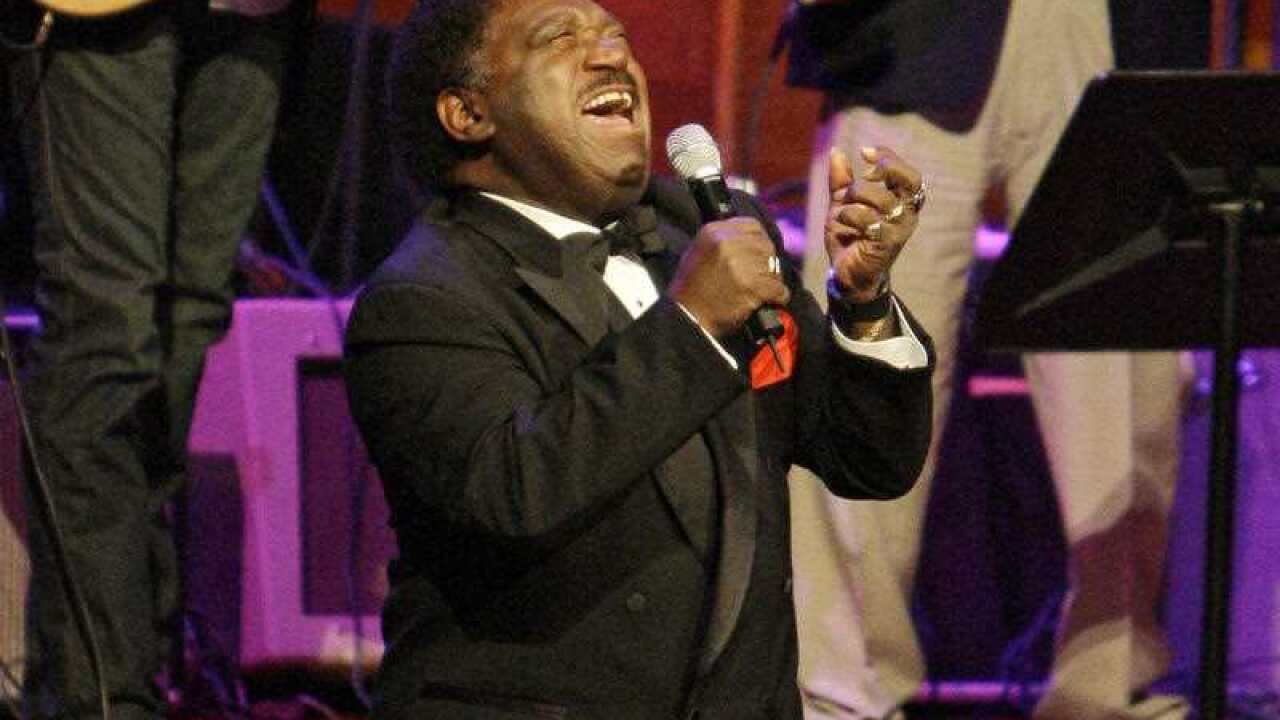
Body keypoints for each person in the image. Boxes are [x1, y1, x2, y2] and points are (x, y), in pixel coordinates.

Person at [342, 0, 935, 717]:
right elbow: (514, 492)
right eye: (561, 38)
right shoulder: (423, 297)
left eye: (615, 37)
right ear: (469, 115)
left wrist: (863, 302)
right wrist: (690, 326)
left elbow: (869, 458)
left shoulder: (707, 230)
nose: (610, 55)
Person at [787, 1, 1208, 719]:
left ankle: (1110, 691)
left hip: (1112, 24)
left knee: (1126, 382)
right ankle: (842, 697)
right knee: (864, 364)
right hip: (912, 30)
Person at [11, 0, 293, 716]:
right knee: (106, 334)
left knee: (189, 328)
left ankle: (126, 666)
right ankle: (102, 695)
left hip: (247, 19)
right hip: (102, 15)